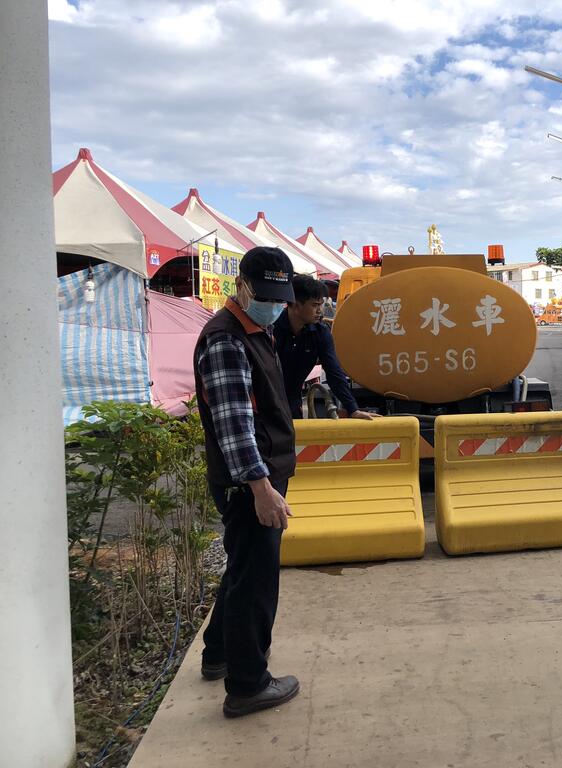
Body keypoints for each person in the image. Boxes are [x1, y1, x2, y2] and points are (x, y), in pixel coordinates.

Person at [193, 246, 300, 718]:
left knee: (242, 568)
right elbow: (234, 424)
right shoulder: (227, 340)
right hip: (250, 482)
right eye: (267, 297)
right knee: (255, 580)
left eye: (281, 299)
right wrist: (261, 487)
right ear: (242, 286)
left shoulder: (257, 330)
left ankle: (219, 653)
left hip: (258, 476)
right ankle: (248, 684)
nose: (274, 306)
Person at [273, 274, 376, 421]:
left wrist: (353, 409)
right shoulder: (270, 329)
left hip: (292, 403)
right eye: (315, 305)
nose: (320, 310)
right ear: (295, 305)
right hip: (262, 403)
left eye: (321, 304)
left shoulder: (320, 333)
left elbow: (334, 372)